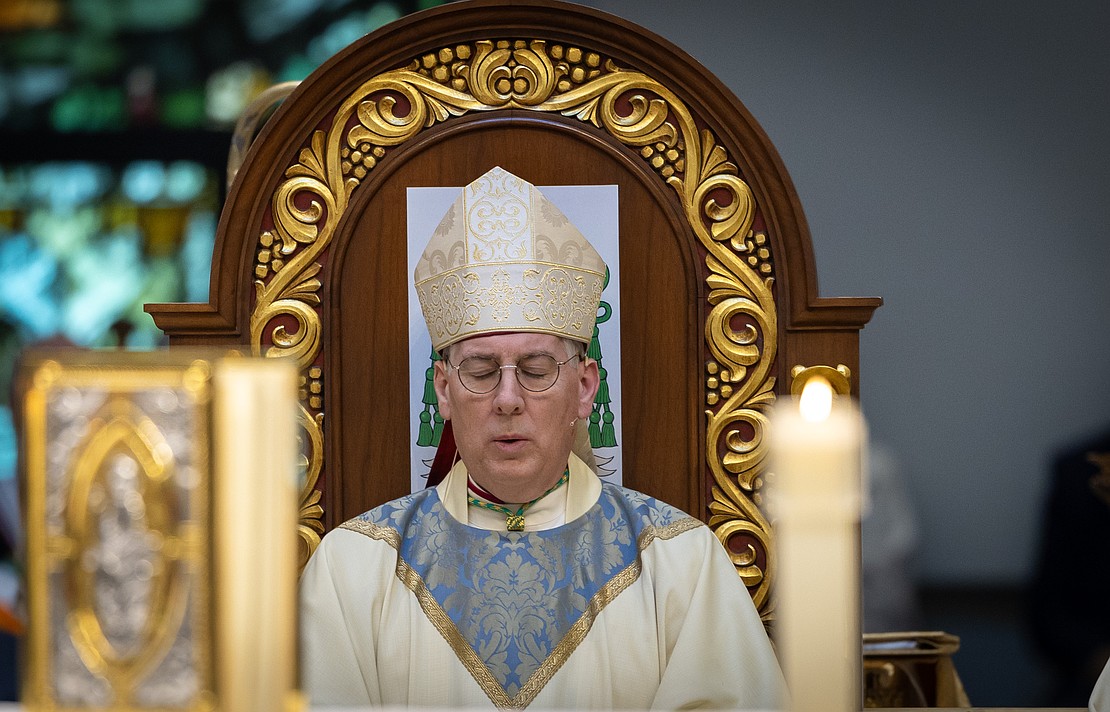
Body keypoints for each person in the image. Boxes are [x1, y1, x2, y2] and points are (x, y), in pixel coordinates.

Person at [299, 166, 784, 709]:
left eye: (535, 368)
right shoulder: (355, 569)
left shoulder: (679, 565)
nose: (507, 398)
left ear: (583, 388)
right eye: (481, 371)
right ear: (443, 389)